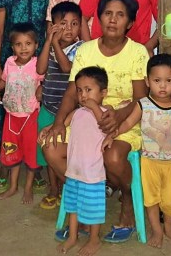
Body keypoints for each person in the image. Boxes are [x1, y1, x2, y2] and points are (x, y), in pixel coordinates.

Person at [43, 0, 149, 243]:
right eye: (108, 13)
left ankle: (127, 205)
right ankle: (89, 193)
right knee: (51, 148)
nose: (113, 19)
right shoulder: (86, 51)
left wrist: (118, 116)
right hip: (85, 122)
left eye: (120, 15)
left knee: (113, 157)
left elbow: (142, 100)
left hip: (125, 121)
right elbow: (72, 92)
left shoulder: (138, 53)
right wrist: (58, 123)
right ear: (99, 18)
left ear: (130, 23)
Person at [0, 0, 54, 192]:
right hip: (10, 60)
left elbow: (48, 33)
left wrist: (46, 74)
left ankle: (34, 166)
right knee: (8, 116)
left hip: (36, 65)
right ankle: (5, 167)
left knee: (33, 115)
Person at [117, 53, 171, 248]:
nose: (163, 86)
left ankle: (168, 227)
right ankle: (157, 230)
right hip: (149, 162)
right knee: (151, 199)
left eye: (168, 81)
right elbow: (128, 122)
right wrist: (114, 133)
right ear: (147, 81)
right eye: (157, 80)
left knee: (170, 200)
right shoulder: (144, 104)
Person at [56, 66, 109, 255]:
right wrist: (50, 129)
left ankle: (95, 240)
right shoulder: (77, 113)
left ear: (103, 92)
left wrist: (94, 106)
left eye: (89, 90)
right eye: (79, 90)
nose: (83, 95)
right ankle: (73, 236)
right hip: (74, 171)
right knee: (72, 204)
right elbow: (62, 125)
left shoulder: (104, 113)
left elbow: (107, 126)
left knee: (93, 209)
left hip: (92, 174)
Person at [36, 1, 84, 210]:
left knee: (63, 149)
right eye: (63, 24)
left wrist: (55, 44)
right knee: (46, 147)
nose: (68, 29)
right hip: (47, 107)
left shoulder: (80, 48)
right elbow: (40, 68)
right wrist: (48, 41)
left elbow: (67, 69)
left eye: (74, 24)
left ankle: (67, 188)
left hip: (68, 112)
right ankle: (53, 189)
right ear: (53, 26)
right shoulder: (50, 45)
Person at [0, 22, 44, 203]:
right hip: (11, 117)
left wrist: (41, 89)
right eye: (19, 44)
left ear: (36, 45)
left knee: (30, 153)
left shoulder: (38, 65)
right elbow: (4, 81)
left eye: (28, 43)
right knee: (11, 152)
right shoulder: (9, 63)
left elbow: (44, 83)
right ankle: (13, 186)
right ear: (12, 47)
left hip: (30, 116)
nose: (23, 48)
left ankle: (28, 188)